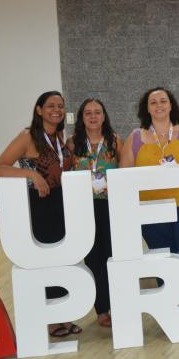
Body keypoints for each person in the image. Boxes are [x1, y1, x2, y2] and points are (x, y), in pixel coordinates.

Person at [0, 91, 79, 337]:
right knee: (46, 262)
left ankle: (63, 315)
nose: (57, 110)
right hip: (39, 207)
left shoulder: (60, 137)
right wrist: (31, 174)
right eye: (50, 105)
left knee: (63, 261)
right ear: (39, 110)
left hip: (62, 205)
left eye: (61, 106)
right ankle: (51, 321)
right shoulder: (27, 136)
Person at [120, 87, 179, 320]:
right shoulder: (135, 138)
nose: (159, 105)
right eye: (153, 102)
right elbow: (124, 175)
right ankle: (172, 312)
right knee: (163, 262)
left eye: (163, 101)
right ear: (146, 108)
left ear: (171, 105)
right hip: (151, 213)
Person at [67, 98, 121, 328]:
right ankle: (101, 310)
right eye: (87, 112)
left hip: (110, 206)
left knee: (112, 256)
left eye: (97, 112)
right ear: (81, 117)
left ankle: (119, 305)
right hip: (84, 208)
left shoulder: (116, 141)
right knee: (93, 259)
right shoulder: (72, 143)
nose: (93, 116)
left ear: (104, 116)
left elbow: (125, 171)